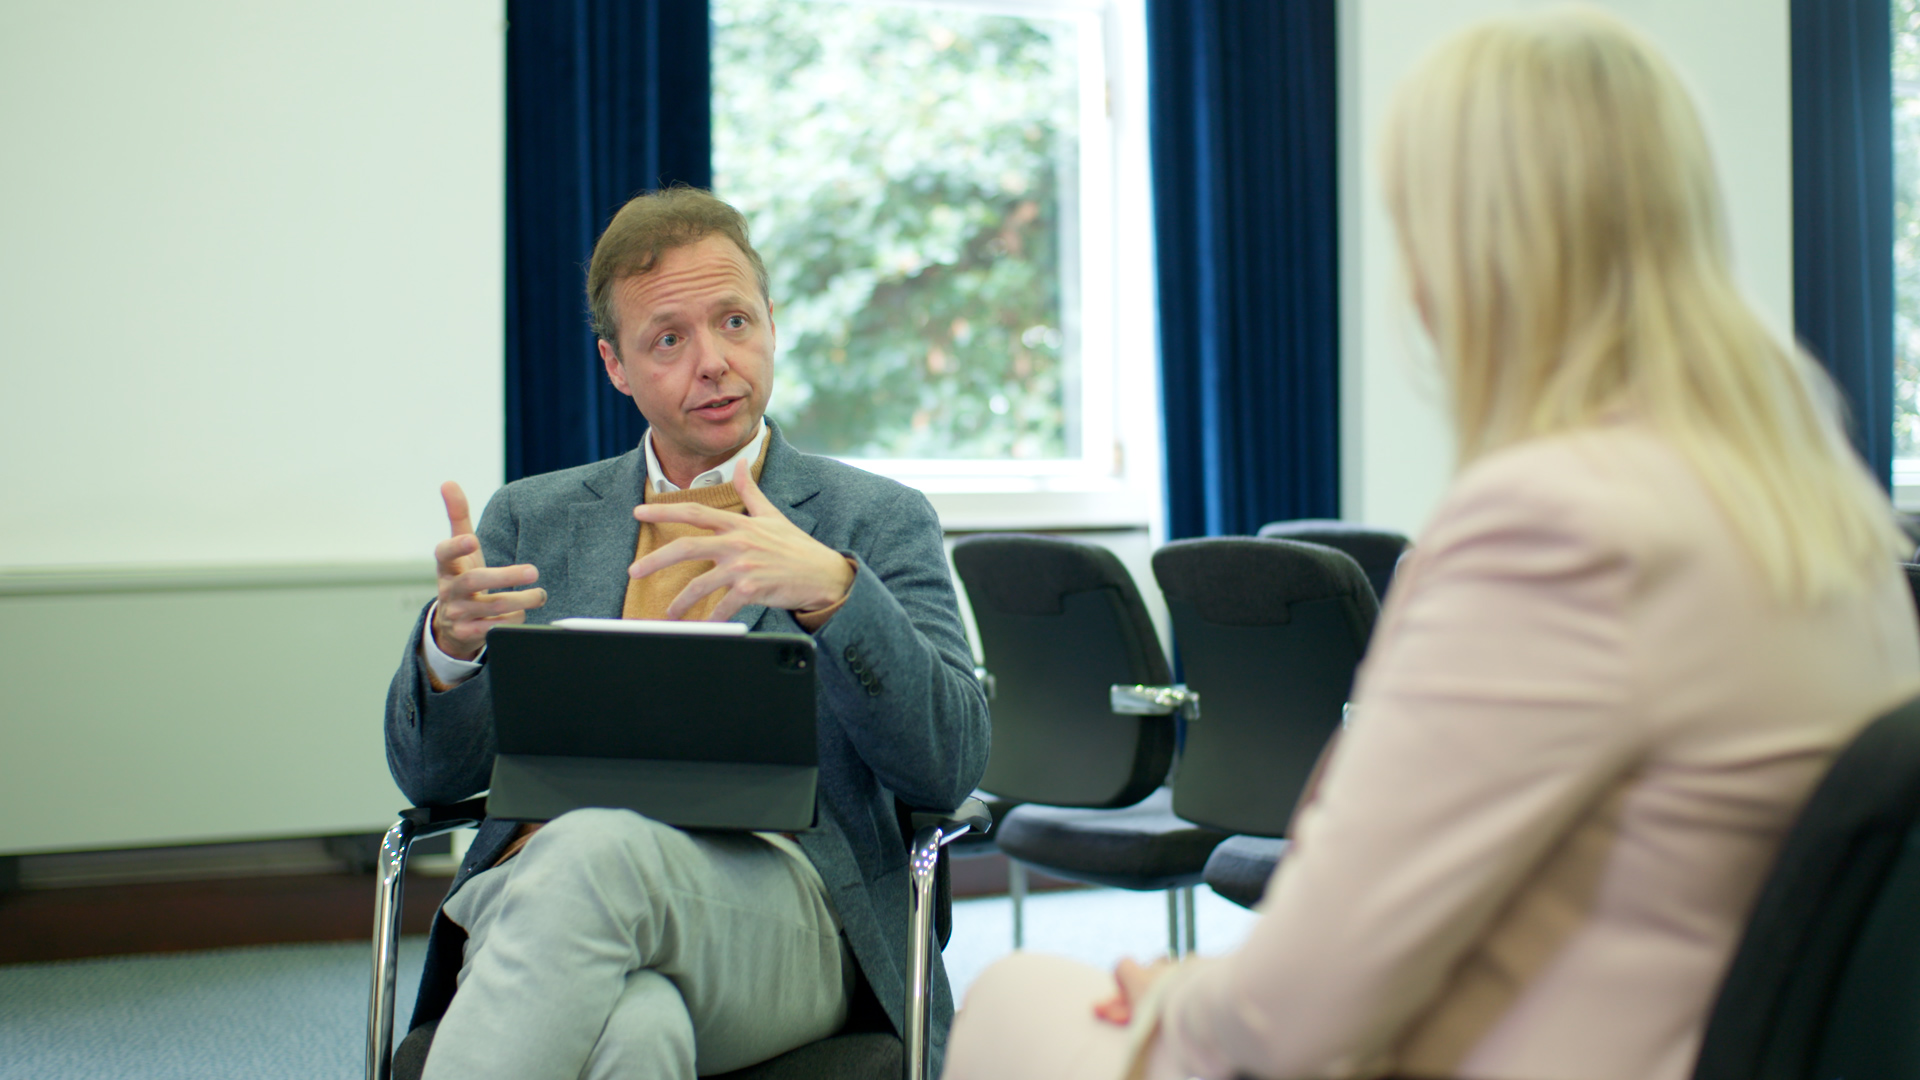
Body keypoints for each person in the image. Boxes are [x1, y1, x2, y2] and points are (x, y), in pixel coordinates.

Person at [940, 9, 1920, 1080]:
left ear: (1476, 252)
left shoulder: (1554, 522)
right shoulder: (1824, 517)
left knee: (1016, 995)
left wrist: (1185, 994)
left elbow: (1288, 1019)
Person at [384, 187, 990, 1079]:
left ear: (772, 324)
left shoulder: (874, 520)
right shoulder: (533, 519)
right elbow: (436, 779)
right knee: (636, 1033)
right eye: (669, 339)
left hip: (787, 917)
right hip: (545, 902)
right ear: (616, 365)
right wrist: (451, 648)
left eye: (735, 321)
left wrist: (834, 591)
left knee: (594, 850)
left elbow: (949, 763)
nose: (714, 362)